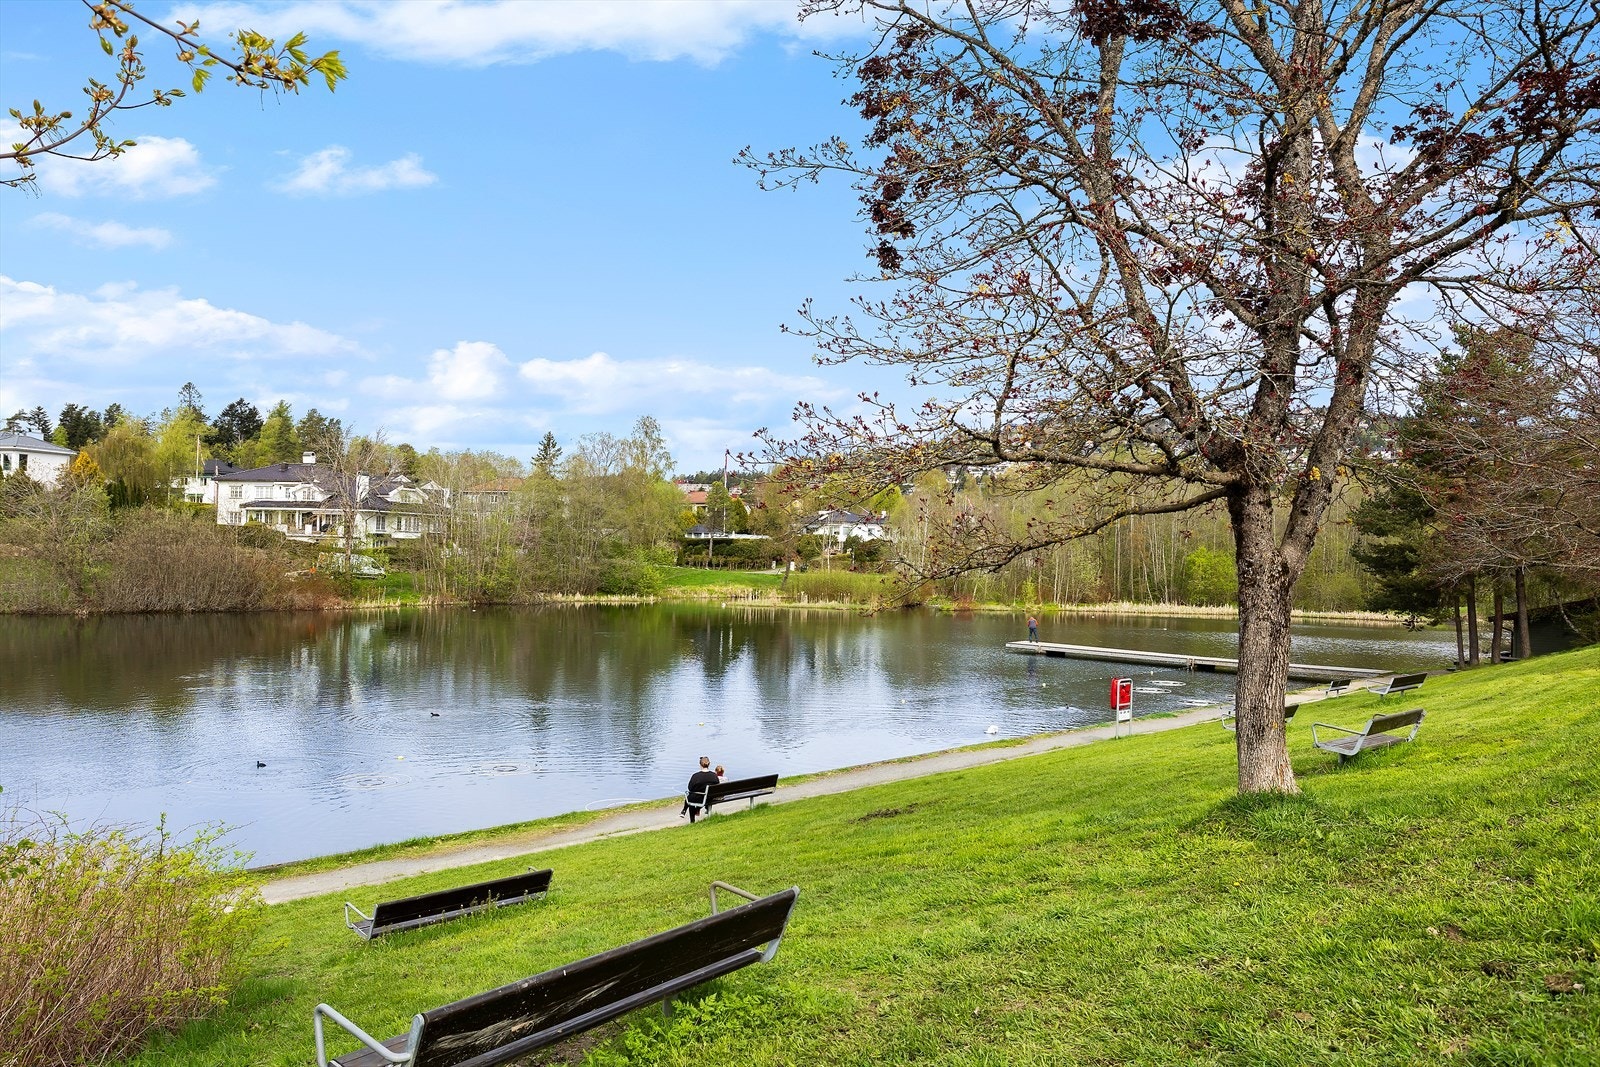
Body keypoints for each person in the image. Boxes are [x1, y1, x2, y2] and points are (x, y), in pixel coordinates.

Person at [683, 756, 720, 823]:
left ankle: (692, 821)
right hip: (710, 798)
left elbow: (690, 788)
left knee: (690, 798)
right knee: (693, 797)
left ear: (700, 765)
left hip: (700, 798)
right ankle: (697, 811)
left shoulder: (695, 776)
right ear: (709, 764)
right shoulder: (714, 775)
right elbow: (717, 785)